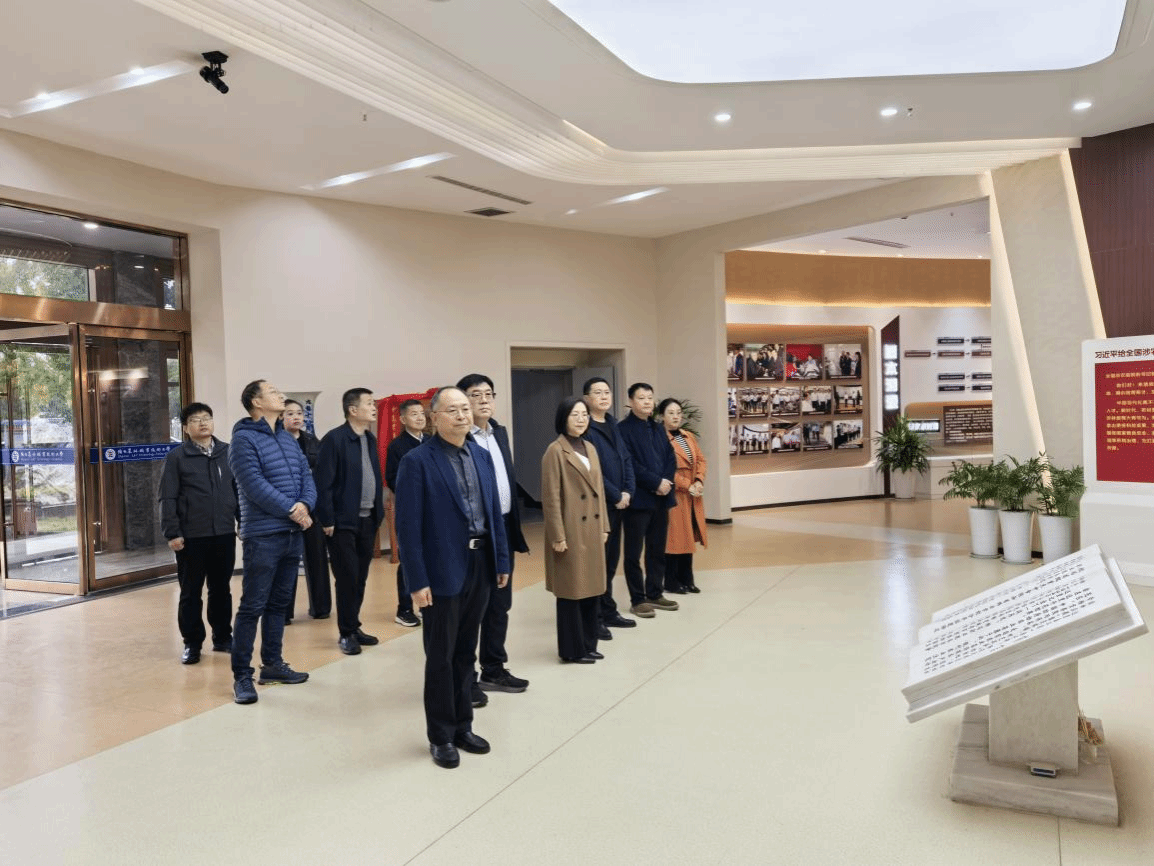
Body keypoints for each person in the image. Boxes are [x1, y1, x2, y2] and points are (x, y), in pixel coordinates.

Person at [395, 386, 510, 769]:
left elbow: (494, 514)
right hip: (441, 569)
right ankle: (441, 735)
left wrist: (502, 560)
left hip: (480, 564)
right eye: (453, 410)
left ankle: (463, 726)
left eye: (465, 409)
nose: (462, 415)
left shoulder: (480, 455)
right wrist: (416, 581)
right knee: (441, 656)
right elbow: (408, 527)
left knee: (465, 652)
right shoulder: (417, 461)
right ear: (435, 417)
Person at [228, 380, 315, 705]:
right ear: (256, 402)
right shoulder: (243, 439)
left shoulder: (286, 437)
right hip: (263, 535)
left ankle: (273, 665)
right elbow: (253, 485)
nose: (280, 395)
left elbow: (306, 475)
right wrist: (293, 509)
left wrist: (305, 504)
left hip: (292, 533)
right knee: (253, 606)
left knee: (279, 604)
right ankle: (242, 676)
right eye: (273, 392)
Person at [456, 373, 530, 703]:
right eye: (476, 394)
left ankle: (494, 668)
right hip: (474, 536)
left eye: (489, 394)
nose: (484, 400)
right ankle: (465, 678)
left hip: (503, 530)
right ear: (462, 401)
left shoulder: (498, 432)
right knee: (471, 610)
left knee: (500, 605)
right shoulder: (460, 438)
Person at [158, 402, 238, 665]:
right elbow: (167, 497)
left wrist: (243, 522)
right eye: (195, 420)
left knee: (221, 589)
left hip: (223, 532)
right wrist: (172, 532)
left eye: (207, 418)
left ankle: (223, 637)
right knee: (191, 592)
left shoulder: (228, 452)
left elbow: (238, 490)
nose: (203, 423)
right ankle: (192, 643)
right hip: (191, 536)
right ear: (185, 428)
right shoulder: (177, 457)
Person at [314, 388, 385, 655]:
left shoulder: (369, 438)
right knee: (347, 578)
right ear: (353, 410)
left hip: (368, 520)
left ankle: (354, 626)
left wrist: (378, 514)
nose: (374, 407)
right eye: (369, 403)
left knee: (361, 577)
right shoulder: (334, 440)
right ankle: (346, 633)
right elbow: (323, 483)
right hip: (342, 523)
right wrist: (327, 518)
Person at [542, 398, 609, 662]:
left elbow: (599, 490)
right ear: (563, 418)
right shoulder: (555, 451)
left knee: (592, 589)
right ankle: (572, 651)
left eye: (584, 414)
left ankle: (589, 644)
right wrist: (557, 535)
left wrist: (604, 525)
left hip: (592, 528)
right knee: (571, 591)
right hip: (570, 530)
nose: (581, 419)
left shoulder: (590, 447)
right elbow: (550, 497)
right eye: (574, 415)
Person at [617, 382, 679, 618]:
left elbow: (670, 457)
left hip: (661, 498)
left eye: (650, 398)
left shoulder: (657, 427)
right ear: (631, 402)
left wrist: (666, 481)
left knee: (657, 549)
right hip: (639, 500)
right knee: (633, 553)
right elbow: (629, 463)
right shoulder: (623, 429)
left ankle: (655, 592)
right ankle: (638, 599)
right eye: (641, 398)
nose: (646, 402)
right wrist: (655, 482)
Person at [582, 377, 636, 639]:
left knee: (612, 561)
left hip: (620, 502)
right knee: (599, 563)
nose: (604, 396)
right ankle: (596, 617)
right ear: (587, 399)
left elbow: (626, 459)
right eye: (598, 392)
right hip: (600, 505)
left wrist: (628, 490)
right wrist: (615, 495)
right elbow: (593, 470)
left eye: (607, 392)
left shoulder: (614, 424)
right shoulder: (586, 428)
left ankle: (608, 610)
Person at [282, 399, 330, 621]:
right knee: (287, 562)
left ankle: (320, 608)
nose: (296, 417)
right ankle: (284, 612)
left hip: (312, 507)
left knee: (317, 558)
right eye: (290, 413)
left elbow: (321, 474)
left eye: (299, 413)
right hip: (287, 510)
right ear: (281, 417)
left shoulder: (312, 440)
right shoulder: (275, 441)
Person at [658, 398, 708, 594]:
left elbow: (701, 460)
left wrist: (699, 480)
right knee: (675, 539)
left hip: (692, 494)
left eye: (678, 412)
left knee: (688, 537)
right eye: (671, 413)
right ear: (662, 416)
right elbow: (665, 469)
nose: (676, 416)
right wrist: (688, 485)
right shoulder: (660, 438)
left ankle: (687, 579)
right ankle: (671, 581)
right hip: (675, 494)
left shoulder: (688, 436)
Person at [384, 399, 426, 628]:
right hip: (410, 508)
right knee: (409, 559)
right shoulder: (397, 446)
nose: (420, 417)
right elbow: (391, 478)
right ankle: (404, 609)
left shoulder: (431, 441)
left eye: (422, 413)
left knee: (431, 557)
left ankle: (426, 604)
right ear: (402, 419)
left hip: (433, 509)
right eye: (414, 414)